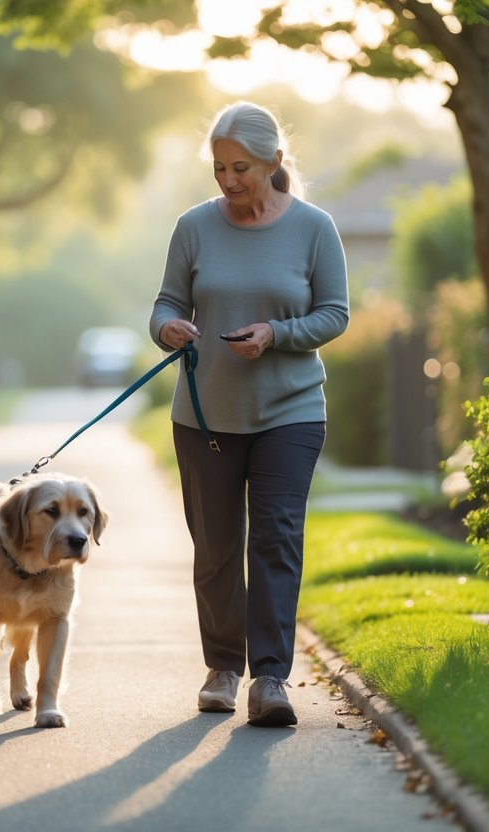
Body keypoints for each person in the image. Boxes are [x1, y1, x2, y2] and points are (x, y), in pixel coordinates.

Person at [148, 101, 349, 727]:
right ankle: (223, 668)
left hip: (289, 411)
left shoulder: (314, 228)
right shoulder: (193, 227)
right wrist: (170, 329)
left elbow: (336, 313)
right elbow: (163, 304)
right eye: (219, 169)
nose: (229, 181)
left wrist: (277, 333)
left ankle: (269, 679)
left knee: (275, 540)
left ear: (273, 163)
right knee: (214, 549)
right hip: (205, 416)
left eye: (241, 167)